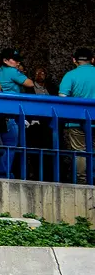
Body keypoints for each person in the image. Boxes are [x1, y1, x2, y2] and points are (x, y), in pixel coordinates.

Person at [0, 48, 34, 178]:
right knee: (10, 145)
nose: (17, 62)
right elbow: (30, 83)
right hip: (10, 114)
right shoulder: (11, 71)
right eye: (14, 60)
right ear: (5, 60)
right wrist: (20, 72)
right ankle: (4, 175)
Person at [58, 47, 95, 183]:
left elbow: (62, 98)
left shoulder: (70, 75)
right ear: (92, 60)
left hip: (77, 120)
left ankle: (82, 181)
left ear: (74, 60)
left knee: (80, 151)